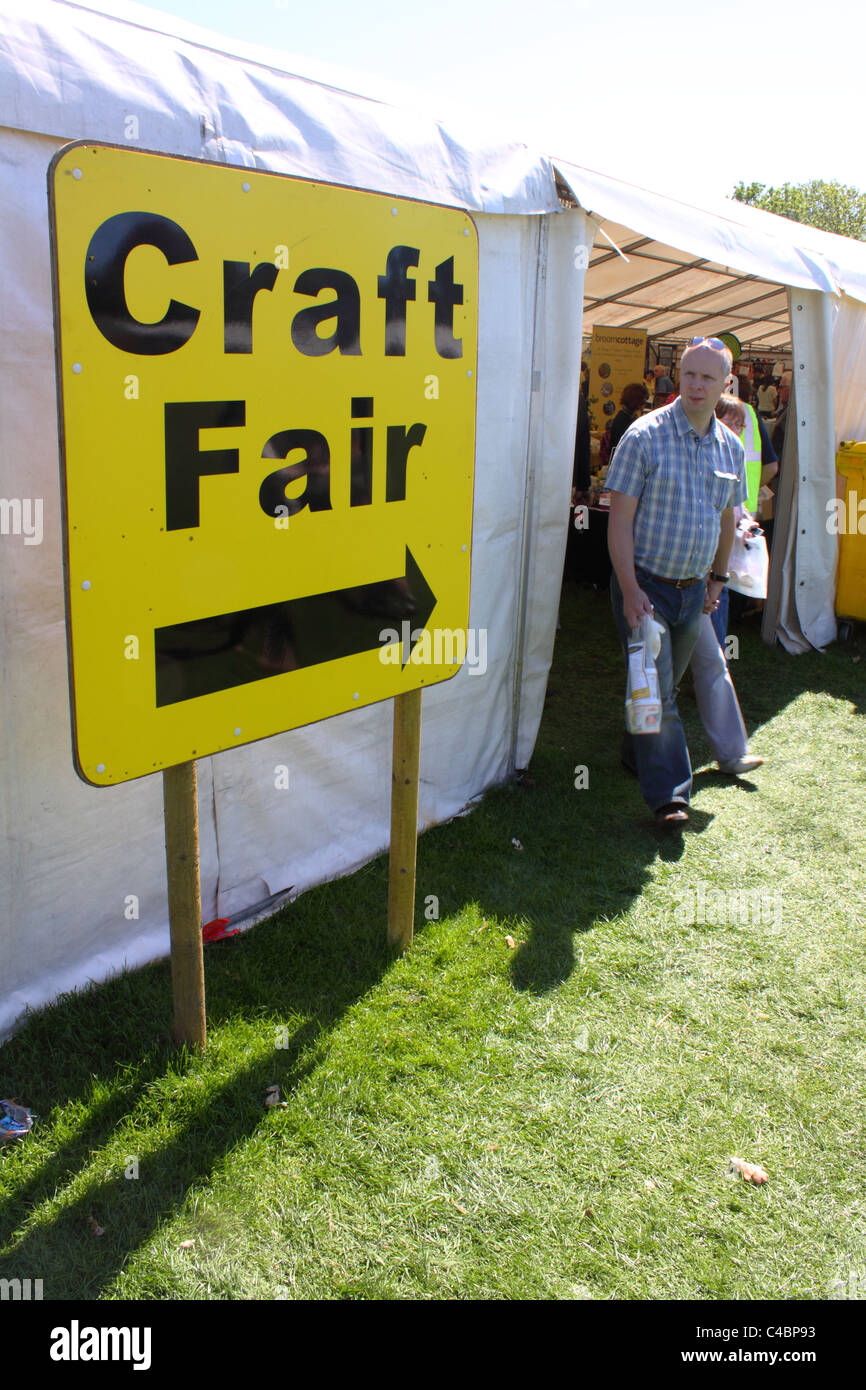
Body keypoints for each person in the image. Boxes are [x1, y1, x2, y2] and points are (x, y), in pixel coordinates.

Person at [606, 337, 746, 828]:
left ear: (727, 384)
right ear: (676, 376)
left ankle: (635, 750)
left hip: (694, 593)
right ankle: (670, 797)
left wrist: (719, 579)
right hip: (646, 587)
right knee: (659, 695)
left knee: (657, 685)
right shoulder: (643, 436)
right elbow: (619, 520)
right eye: (689, 374)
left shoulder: (732, 447)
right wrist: (629, 589)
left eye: (708, 377)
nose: (696, 385)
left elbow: (727, 519)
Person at [688, 393, 764, 777]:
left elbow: (731, 512)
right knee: (654, 674)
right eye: (734, 422)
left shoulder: (730, 458)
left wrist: (716, 580)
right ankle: (640, 753)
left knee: (714, 662)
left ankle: (732, 754)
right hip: (679, 579)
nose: (740, 430)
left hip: (711, 579)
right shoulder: (686, 453)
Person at [609, 382, 650, 457]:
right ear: (636, 401)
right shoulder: (622, 420)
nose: (644, 404)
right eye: (643, 402)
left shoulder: (630, 416)